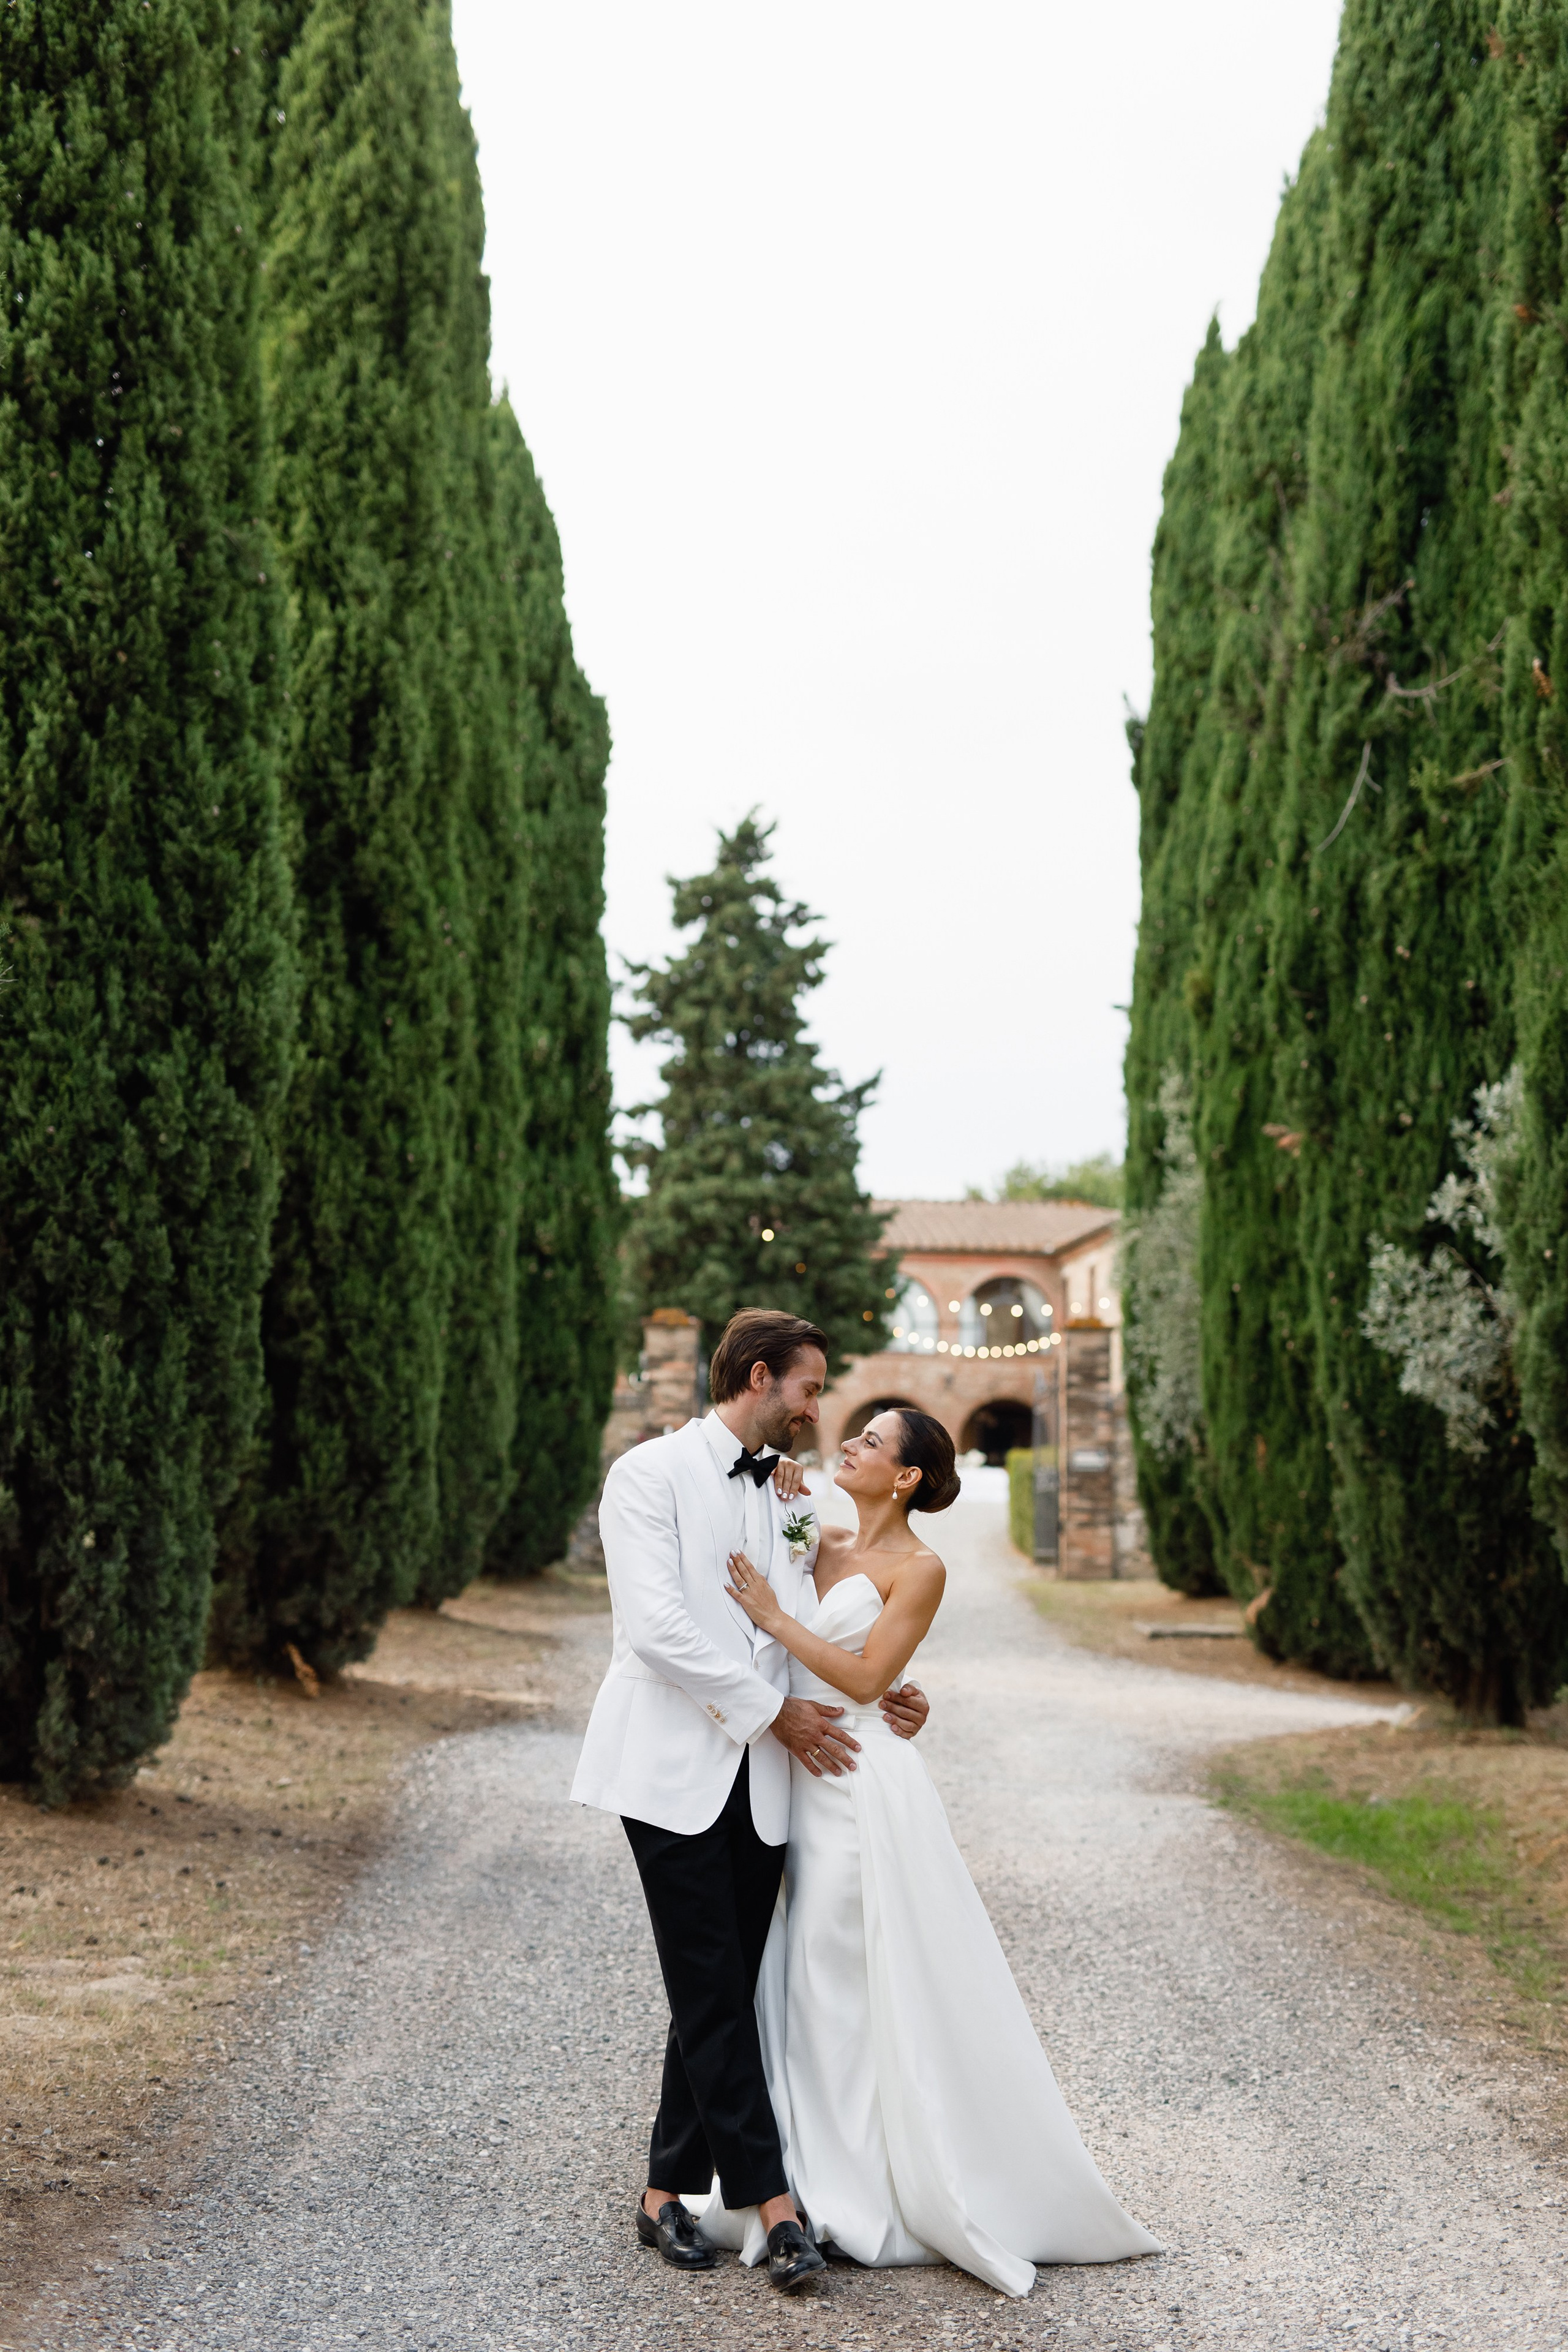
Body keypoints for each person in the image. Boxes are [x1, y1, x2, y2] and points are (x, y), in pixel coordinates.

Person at [710, 1404, 1162, 2298]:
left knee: (840, 1971)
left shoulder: (922, 1567)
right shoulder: (816, 1536)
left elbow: (867, 1676)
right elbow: (787, 1622)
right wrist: (783, 1507)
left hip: (855, 1787)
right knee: (790, 1972)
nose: (850, 1444)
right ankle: (792, 2176)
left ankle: (854, 2188)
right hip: (788, 1775)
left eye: (871, 1441)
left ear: (908, 1476)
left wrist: (779, 1620)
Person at [570, 1310, 932, 2296]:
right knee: (711, 1980)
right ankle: (775, 2209)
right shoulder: (646, 1476)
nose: (817, 1410)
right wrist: (775, 1714)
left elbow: (802, 1626)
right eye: (810, 1389)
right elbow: (658, 1630)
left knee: (718, 1983)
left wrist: (882, 1690)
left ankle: (662, 2194)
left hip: (769, 1782)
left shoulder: (787, 1494)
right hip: (669, 1767)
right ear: (762, 1377)